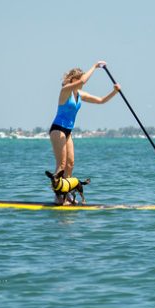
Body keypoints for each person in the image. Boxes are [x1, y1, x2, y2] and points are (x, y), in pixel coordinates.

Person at [49, 61, 120, 204]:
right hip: (58, 129)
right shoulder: (66, 90)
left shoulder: (80, 94)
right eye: (80, 79)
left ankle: (67, 193)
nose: (83, 83)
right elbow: (83, 80)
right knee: (61, 164)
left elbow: (100, 100)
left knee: (70, 164)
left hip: (68, 131)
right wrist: (95, 66)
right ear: (74, 80)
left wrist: (114, 91)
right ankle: (58, 196)